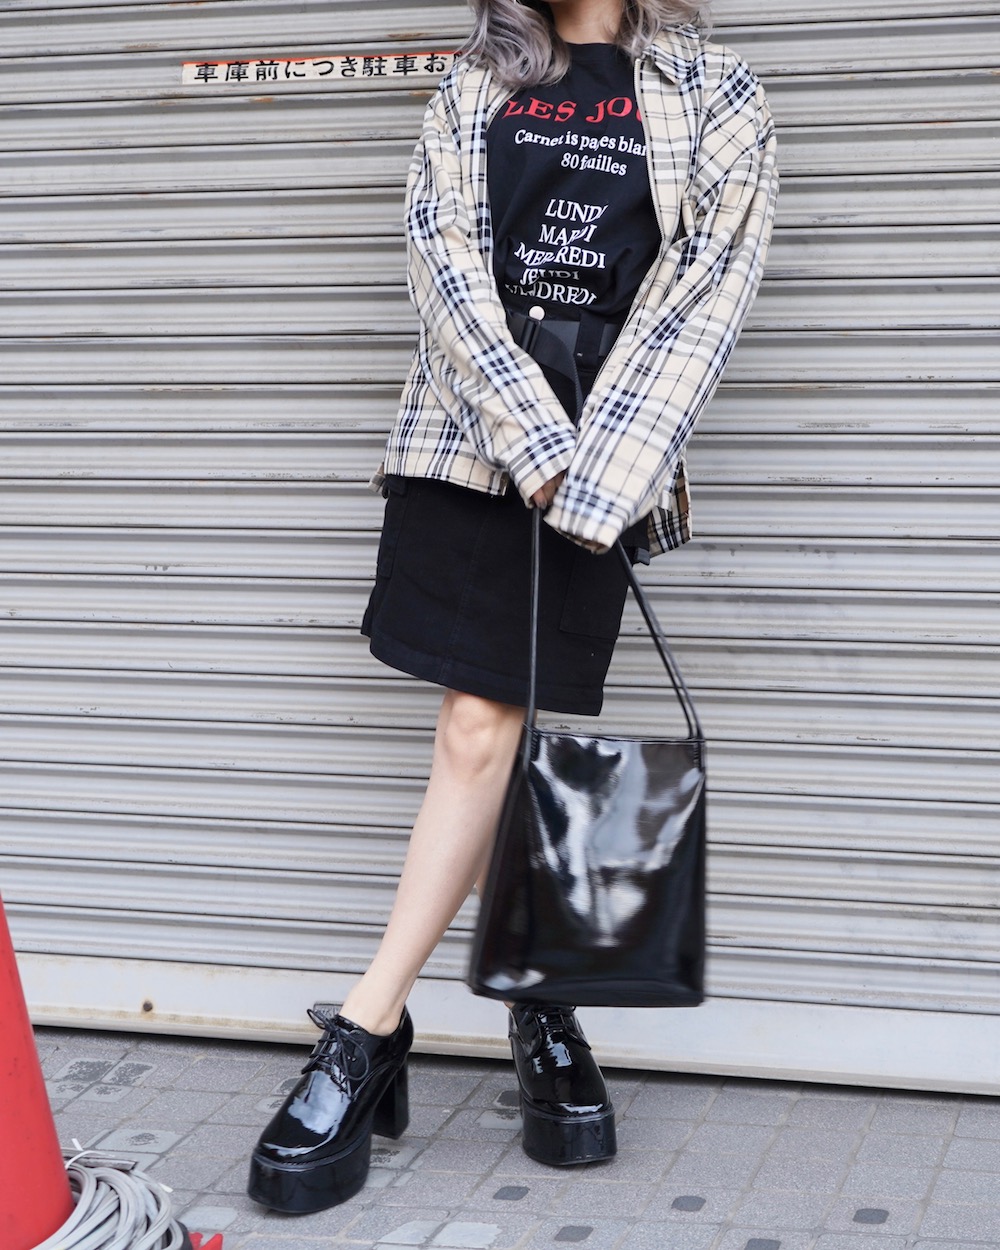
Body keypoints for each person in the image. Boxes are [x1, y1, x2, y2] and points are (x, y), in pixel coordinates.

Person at [248, 0, 777, 1215]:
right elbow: (440, 266)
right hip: (469, 438)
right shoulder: (473, 85)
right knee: (479, 726)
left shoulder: (718, 92)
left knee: (517, 732)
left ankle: (506, 1008)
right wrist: (533, 441)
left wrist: (595, 471)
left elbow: (708, 291)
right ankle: (399, 1020)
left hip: (612, 449)